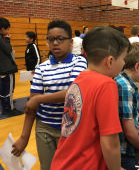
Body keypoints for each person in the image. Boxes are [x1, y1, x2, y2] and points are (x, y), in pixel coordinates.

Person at [50, 25, 130, 170]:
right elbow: (110, 141)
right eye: (124, 59)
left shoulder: (79, 78)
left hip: (62, 163)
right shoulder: (106, 84)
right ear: (110, 61)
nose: (124, 63)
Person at [11, 20, 87, 170]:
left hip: (72, 129)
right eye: (51, 39)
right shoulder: (41, 68)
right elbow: (32, 107)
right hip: (44, 128)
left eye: (60, 39)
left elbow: (72, 93)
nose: (55, 43)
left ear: (70, 42)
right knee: (48, 167)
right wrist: (24, 137)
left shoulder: (79, 62)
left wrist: (39, 98)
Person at [115, 42, 139, 169]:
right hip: (125, 152)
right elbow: (129, 130)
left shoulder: (125, 81)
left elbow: (134, 118)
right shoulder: (126, 88)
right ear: (137, 66)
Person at [0, 17, 18, 115]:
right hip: (6, 68)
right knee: (9, 89)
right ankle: (10, 109)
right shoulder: (1, 38)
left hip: (2, 69)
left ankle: (5, 106)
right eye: (7, 29)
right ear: (2, 29)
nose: (8, 32)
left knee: (3, 89)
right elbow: (8, 50)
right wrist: (7, 39)